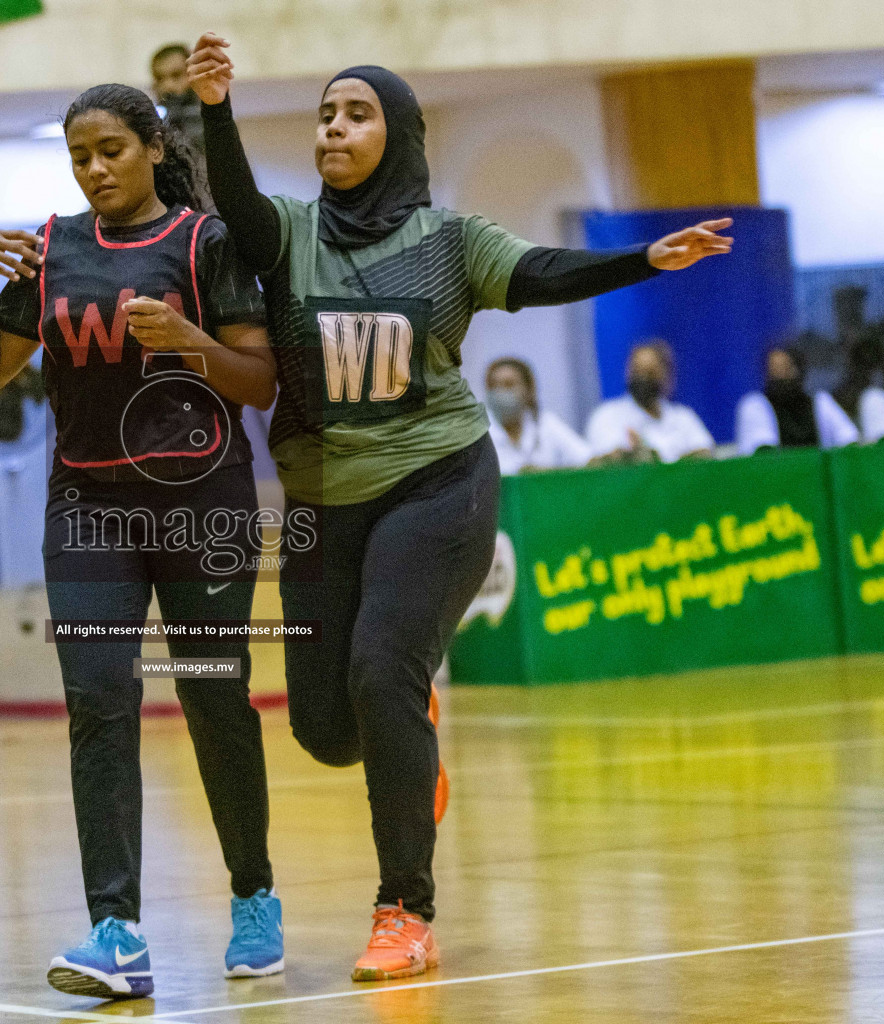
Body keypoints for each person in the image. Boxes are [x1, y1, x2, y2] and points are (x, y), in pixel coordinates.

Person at [186, 34, 732, 982]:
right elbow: (231, 202)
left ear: (397, 135)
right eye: (324, 113)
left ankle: (406, 911)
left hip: (437, 479)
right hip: (321, 497)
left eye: (356, 114)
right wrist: (217, 109)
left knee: (379, 667)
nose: (334, 128)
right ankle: (411, 723)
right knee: (325, 729)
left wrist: (644, 258)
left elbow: (545, 272)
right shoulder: (285, 231)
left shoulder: (452, 241)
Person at [0, 83, 281, 999]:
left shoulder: (204, 243)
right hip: (88, 505)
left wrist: (184, 340)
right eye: (79, 158)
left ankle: (253, 895)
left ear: (152, 150)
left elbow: (257, 382)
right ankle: (116, 930)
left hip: (199, 500)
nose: (94, 170)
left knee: (215, 699)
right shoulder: (51, 250)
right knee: (98, 700)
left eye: (110, 151)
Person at [586, 341, 716, 462]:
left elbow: (704, 452)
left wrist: (658, 462)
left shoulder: (683, 417)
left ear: (667, 376)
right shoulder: (607, 416)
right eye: (637, 372)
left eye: (650, 372)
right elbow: (606, 461)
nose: (643, 379)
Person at [735, 346, 859, 455]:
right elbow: (762, 453)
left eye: (785, 369)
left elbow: (849, 440)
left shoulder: (820, 403)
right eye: (774, 371)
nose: (780, 377)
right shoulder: (756, 406)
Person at [483, 357, 591, 475]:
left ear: (529, 390)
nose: (500, 393)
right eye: (494, 386)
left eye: (509, 385)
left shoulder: (545, 423)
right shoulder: (478, 432)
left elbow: (586, 459)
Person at [151, 42, 205, 154]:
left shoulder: (212, 122)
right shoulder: (151, 127)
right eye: (159, 78)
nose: (167, 86)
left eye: (176, 75)